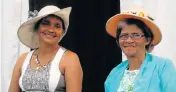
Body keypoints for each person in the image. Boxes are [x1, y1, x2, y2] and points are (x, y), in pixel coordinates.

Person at [9, 5, 83, 92]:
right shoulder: (22, 59)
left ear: (62, 31)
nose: (51, 29)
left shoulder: (70, 59)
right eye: (46, 23)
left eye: (57, 26)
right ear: (37, 27)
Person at [104, 5, 176, 92]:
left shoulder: (162, 66)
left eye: (135, 35)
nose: (129, 40)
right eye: (124, 35)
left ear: (148, 40)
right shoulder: (114, 73)